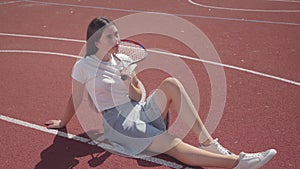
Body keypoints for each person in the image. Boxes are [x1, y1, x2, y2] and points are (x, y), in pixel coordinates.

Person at [45, 16, 277, 169]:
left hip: (136, 109)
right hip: (118, 123)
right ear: (96, 42)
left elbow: (137, 96)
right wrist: (63, 122)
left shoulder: (123, 59)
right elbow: (75, 97)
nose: (116, 40)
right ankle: (237, 163)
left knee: (171, 83)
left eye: (117, 34)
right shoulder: (84, 66)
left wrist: (129, 82)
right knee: (174, 144)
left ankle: (207, 143)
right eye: (110, 36)